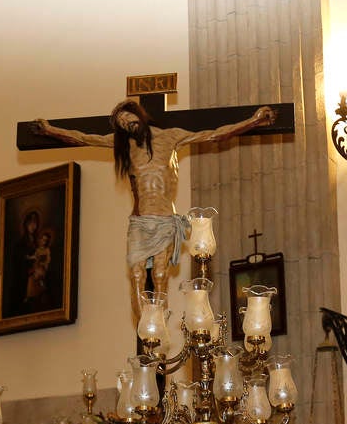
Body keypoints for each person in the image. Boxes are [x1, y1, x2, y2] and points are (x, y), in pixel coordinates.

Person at [35, 100, 276, 318]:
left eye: (128, 117)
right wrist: (49, 130)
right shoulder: (125, 146)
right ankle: (146, 331)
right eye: (122, 124)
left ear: (138, 114)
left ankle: (157, 326)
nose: (127, 124)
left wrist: (254, 121)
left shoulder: (171, 137)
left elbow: (214, 136)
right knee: (138, 276)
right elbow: (83, 138)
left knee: (160, 275)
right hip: (139, 222)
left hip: (164, 220)